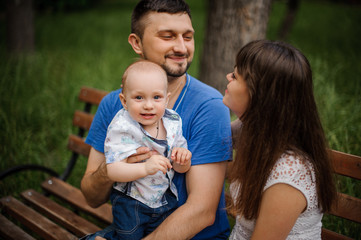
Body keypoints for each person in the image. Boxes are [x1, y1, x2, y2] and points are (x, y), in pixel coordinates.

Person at [80, 0, 232, 239]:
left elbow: (202, 212)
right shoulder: (113, 105)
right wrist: (112, 169)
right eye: (168, 36)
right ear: (137, 43)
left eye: (188, 37)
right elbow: (91, 197)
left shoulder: (208, 107)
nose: (181, 47)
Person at [223, 40, 337, 239]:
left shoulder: (291, 174)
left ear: (258, 94)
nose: (228, 77)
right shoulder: (255, 130)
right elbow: (213, 137)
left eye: (235, 75)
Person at [83, 60, 192, 240]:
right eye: (139, 98)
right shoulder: (122, 127)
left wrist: (183, 159)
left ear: (166, 99)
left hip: (164, 201)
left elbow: (179, 167)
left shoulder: (172, 122)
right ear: (124, 101)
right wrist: (145, 168)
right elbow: (113, 169)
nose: (148, 105)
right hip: (131, 202)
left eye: (156, 97)